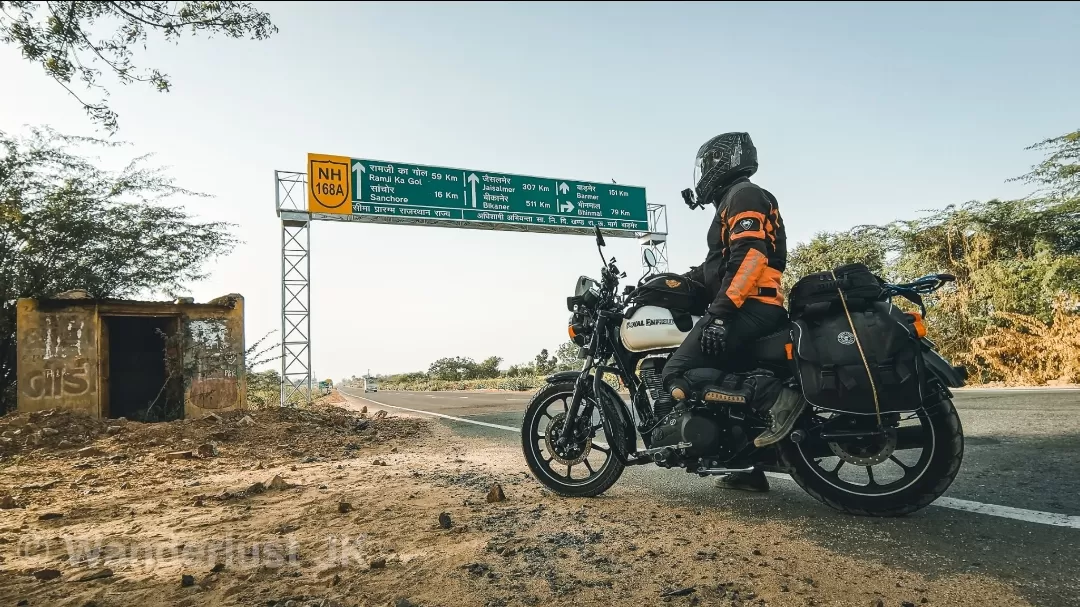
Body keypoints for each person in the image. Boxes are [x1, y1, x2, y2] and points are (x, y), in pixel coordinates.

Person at [660, 131, 805, 493]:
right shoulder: (734, 199)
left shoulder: (744, 195)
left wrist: (721, 314)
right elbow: (720, 266)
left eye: (707, 165)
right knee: (722, 372)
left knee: (678, 371)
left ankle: (778, 399)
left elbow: (751, 257)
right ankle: (746, 465)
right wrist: (671, 283)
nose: (703, 173)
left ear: (723, 162)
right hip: (750, 306)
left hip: (752, 308)